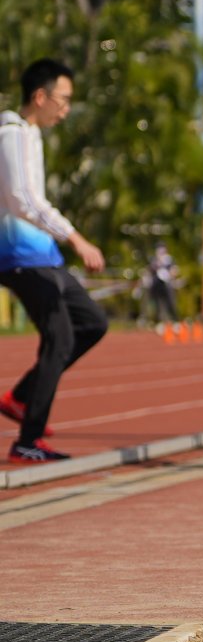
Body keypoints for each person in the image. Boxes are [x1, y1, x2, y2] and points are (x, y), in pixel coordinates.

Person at [0, 59, 107, 464]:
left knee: (92, 323)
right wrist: (76, 238)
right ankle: (28, 440)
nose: (65, 110)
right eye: (62, 101)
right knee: (60, 339)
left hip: (41, 253)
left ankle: (21, 397)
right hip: (18, 254)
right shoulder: (12, 134)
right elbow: (23, 200)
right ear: (39, 97)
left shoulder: (31, 135)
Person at [146, 243, 181, 330]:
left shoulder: (169, 260)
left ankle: (175, 322)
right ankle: (159, 323)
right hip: (157, 285)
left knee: (170, 303)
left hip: (167, 284)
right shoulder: (154, 260)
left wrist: (170, 275)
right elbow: (150, 270)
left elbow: (174, 270)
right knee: (158, 305)